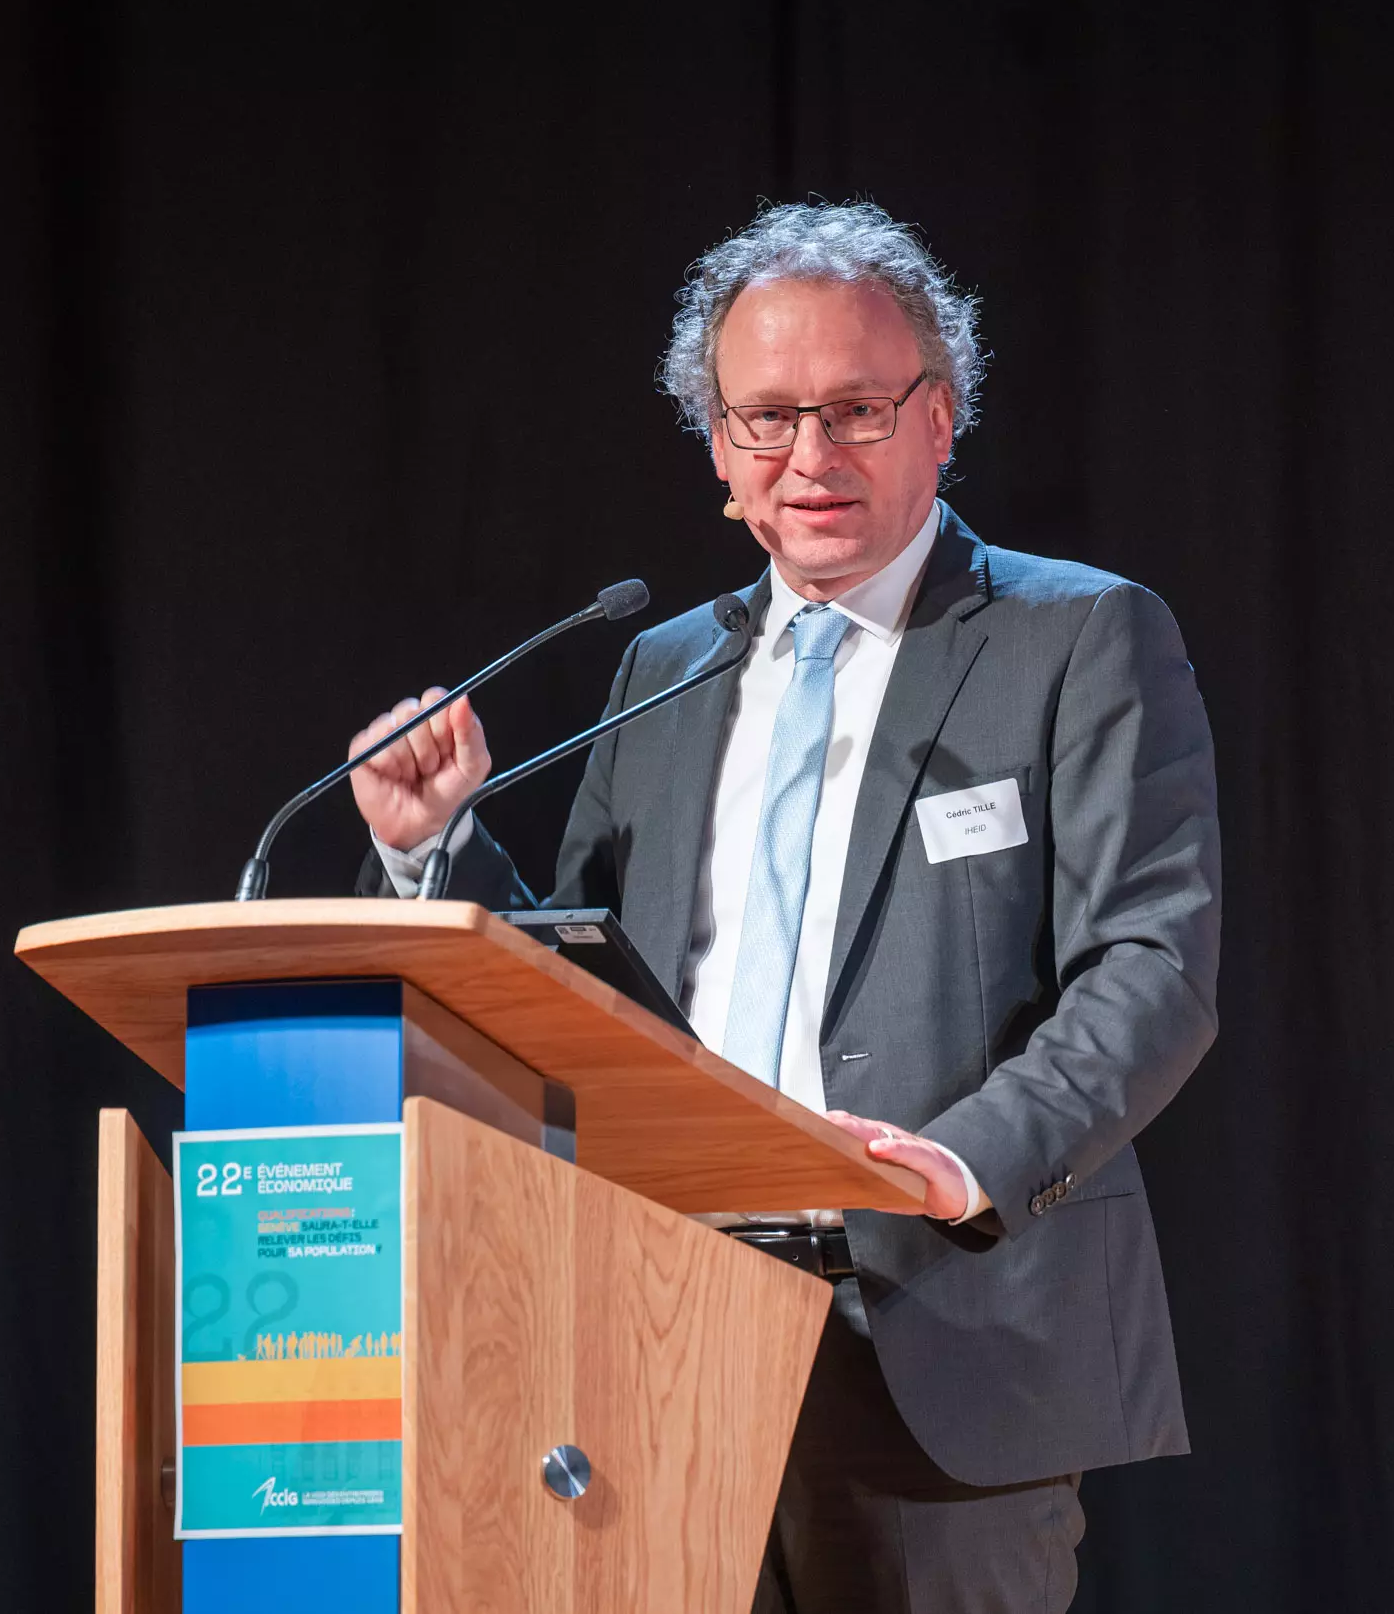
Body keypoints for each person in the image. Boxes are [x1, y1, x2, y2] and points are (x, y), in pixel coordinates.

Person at [348, 201, 1220, 1614]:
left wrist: (958, 1163)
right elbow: (583, 989)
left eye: (856, 409)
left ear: (939, 418)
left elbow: (1150, 967)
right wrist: (435, 845)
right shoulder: (664, 667)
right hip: (658, 1333)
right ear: (719, 446)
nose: (810, 456)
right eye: (767, 417)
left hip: (941, 1332)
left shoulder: (1076, 636)